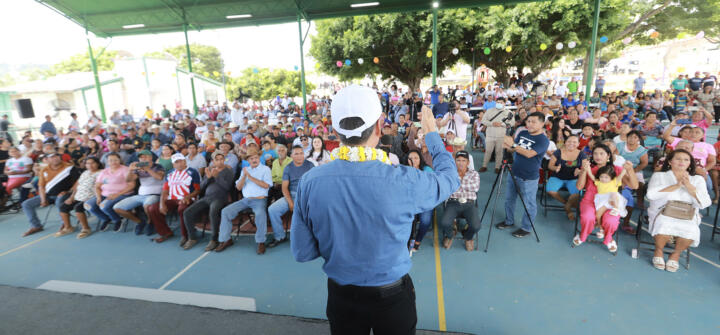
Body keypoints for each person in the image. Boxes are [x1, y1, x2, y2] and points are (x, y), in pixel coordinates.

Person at [290, 85, 459, 334]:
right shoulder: (405, 180)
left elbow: (302, 252)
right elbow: (450, 178)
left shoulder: (310, 181)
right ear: (379, 127)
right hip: (392, 299)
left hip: (341, 297)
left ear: (335, 132)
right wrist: (432, 134)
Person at [646, 149, 711, 272]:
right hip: (663, 211)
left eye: (686, 159)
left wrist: (689, 187)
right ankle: (658, 250)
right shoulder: (659, 175)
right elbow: (650, 195)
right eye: (678, 158)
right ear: (670, 161)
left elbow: (705, 203)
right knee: (664, 222)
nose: (682, 161)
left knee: (691, 229)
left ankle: (675, 254)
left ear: (690, 163)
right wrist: (675, 186)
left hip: (687, 214)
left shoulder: (697, 179)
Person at [574, 145, 638, 252]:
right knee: (587, 217)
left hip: (610, 202)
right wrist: (584, 170)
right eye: (595, 153)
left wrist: (630, 170)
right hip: (590, 200)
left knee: (611, 221)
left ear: (608, 155)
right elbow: (579, 187)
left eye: (601, 153)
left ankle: (608, 238)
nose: (598, 156)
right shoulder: (590, 168)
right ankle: (583, 234)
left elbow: (634, 186)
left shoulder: (616, 169)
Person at [495, 112, 549, 238]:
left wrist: (512, 144)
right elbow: (514, 149)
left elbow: (529, 154)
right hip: (514, 172)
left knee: (529, 203)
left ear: (542, 123)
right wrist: (507, 145)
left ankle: (526, 227)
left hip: (529, 177)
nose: (529, 124)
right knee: (509, 199)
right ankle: (509, 221)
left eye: (533, 122)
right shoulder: (523, 133)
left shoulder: (543, 140)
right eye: (528, 121)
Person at [213, 148, 272, 254]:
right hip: (245, 200)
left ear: (259, 158)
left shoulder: (265, 169)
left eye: (256, 158)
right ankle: (226, 239)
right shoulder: (245, 170)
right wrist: (244, 176)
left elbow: (266, 185)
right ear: (248, 161)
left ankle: (261, 241)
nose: (254, 160)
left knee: (260, 214)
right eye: (251, 158)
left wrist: (250, 177)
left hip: (259, 200)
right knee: (225, 212)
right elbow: (238, 188)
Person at [182, 153, 236, 251]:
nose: (219, 161)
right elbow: (202, 187)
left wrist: (216, 176)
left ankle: (214, 239)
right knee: (187, 212)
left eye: (221, 159)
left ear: (224, 160)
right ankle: (192, 238)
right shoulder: (210, 170)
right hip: (207, 197)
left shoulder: (229, 171)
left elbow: (227, 187)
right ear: (213, 161)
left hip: (220, 198)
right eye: (217, 159)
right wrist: (209, 178)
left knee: (213, 211)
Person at [146, 153, 201, 244]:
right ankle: (165, 232)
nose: (179, 164)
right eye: (176, 162)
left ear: (185, 161)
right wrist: (161, 203)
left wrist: (188, 196)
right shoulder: (170, 173)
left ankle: (185, 235)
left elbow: (198, 190)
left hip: (187, 199)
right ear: (173, 164)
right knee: (152, 208)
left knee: (182, 208)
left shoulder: (192, 172)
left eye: (181, 161)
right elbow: (165, 190)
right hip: (172, 199)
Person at [21, 152, 80, 237]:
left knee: (59, 200)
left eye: (57, 156)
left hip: (66, 194)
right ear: (47, 160)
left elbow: (77, 182)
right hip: (48, 196)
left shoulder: (69, 167)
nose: (55, 158)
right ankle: (36, 226)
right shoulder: (44, 170)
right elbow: (41, 186)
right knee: (26, 204)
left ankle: (65, 224)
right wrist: (43, 200)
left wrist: (69, 191)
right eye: (52, 157)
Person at [267, 146, 314, 249]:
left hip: (306, 195)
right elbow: (284, 188)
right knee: (272, 210)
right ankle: (280, 236)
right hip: (292, 194)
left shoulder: (310, 165)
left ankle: (311, 238)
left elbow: (314, 184)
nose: (299, 156)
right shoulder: (288, 168)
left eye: (301, 153)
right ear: (291, 156)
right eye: (296, 154)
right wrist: (290, 203)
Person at [112, 150, 165, 236]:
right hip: (141, 195)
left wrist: (148, 169)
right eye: (141, 157)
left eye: (145, 156)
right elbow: (128, 180)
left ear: (151, 157)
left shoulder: (158, 166)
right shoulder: (138, 169)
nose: (143, 159)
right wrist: (130, 170)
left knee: (147, 205)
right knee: (117, 208)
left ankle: (150, 222)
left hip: (156, 194)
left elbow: (159, 177)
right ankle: (140, 222)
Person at [439, 150, 481, 251]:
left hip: (469, 203)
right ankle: (449, 235)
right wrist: (466, 186)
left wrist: (457, 184)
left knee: (476, 226)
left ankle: (468, 237)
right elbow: (447, 188)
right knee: (444, 223)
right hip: (453, 202)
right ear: (455, 161)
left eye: (463, 160)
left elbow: (475, 187)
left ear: (468, 162)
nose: (461, 163)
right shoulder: (450, 174)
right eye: (458, 160)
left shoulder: (474, 174)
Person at [85, 153, 135, 232]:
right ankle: (106, 218)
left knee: (104, 206)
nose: (113, 162)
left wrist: (117, 194)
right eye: (110, 160)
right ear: (107, 162)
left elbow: (132, 185)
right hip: (104, 194)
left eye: (115, 160)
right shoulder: (104, 171)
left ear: (120, 160)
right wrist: (98, 197)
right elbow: (97, 186)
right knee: (88, 205)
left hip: (122, 194)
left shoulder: (125, 169)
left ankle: (117, 220)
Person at [57, 157, 103, 239]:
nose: (90, 165)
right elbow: (77, 186)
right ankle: (68, 227)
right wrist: (72, 197)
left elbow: (102, 187)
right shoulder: (85, 172)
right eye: (88, 163)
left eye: (92, 163)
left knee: (78, 207)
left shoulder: (101, 173)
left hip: (91, 197)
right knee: (63, 207)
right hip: (78, 196)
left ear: (98, 163)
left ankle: (86, 228)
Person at [546, 135, 585, 220]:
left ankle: (567, 207)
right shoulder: (558, 152)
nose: (571, 143)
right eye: (569, 141)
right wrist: (555, 168)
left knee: (576, 194)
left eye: (574, 142)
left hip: (573, 179)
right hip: (557, 177)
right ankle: (567, 205)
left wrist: (580, 171)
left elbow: (585, 168)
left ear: (578, 144)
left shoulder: (581, 154)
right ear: (565, 142)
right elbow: (550, 165)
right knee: (550, 190)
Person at [480, 97, 514, 173]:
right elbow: (483, 120)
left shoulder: (509, 112)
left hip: (501, 135)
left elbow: (512, 123)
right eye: (498, 102)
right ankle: (484, 166)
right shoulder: (489, 111)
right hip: (490, 135)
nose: (499, 104)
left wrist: (502, 124)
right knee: (488, 151)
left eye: (501, 102)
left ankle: (497, 167)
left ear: (504, 103)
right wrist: (492, 123)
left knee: (499, 152)